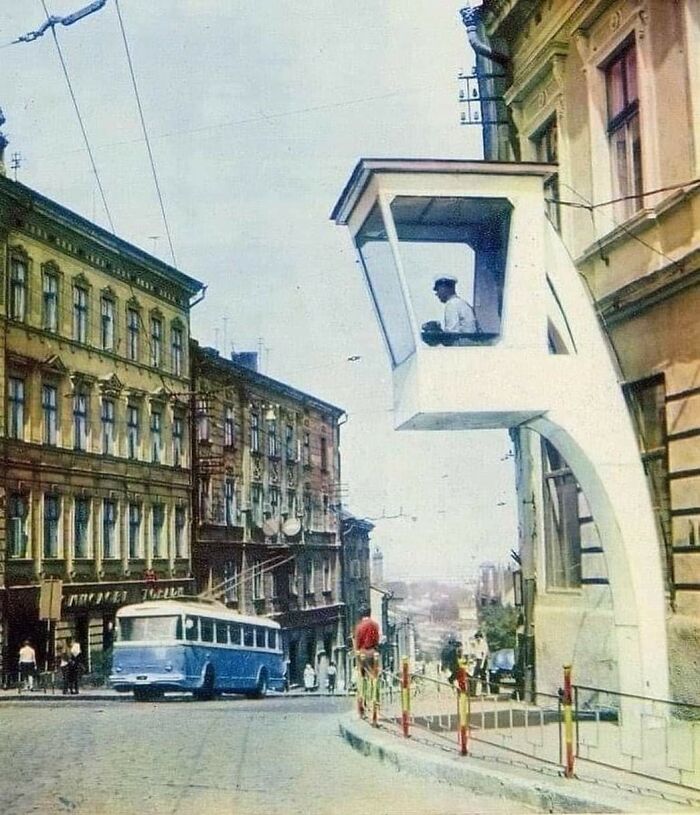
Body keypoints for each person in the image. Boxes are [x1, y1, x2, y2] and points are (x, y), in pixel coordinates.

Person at [431, 275, 479, 344]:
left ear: (445, 288)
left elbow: (451, 334)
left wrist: (437, 334)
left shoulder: (452, 304)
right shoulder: (461, 302)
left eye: (438, 290)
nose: (437, 294)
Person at [471, 630, 489, 695]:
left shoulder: (484, 644)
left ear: (481, 637)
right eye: (476, 637)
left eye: (479, 637)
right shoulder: (475, 643)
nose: (478, 639)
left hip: (483, 660)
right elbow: (475, 653)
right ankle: (473, 691)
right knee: (474, 676)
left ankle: (484, 691)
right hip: (478, 660)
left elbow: (484, 655)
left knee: (483, 675)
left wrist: (482, 664)